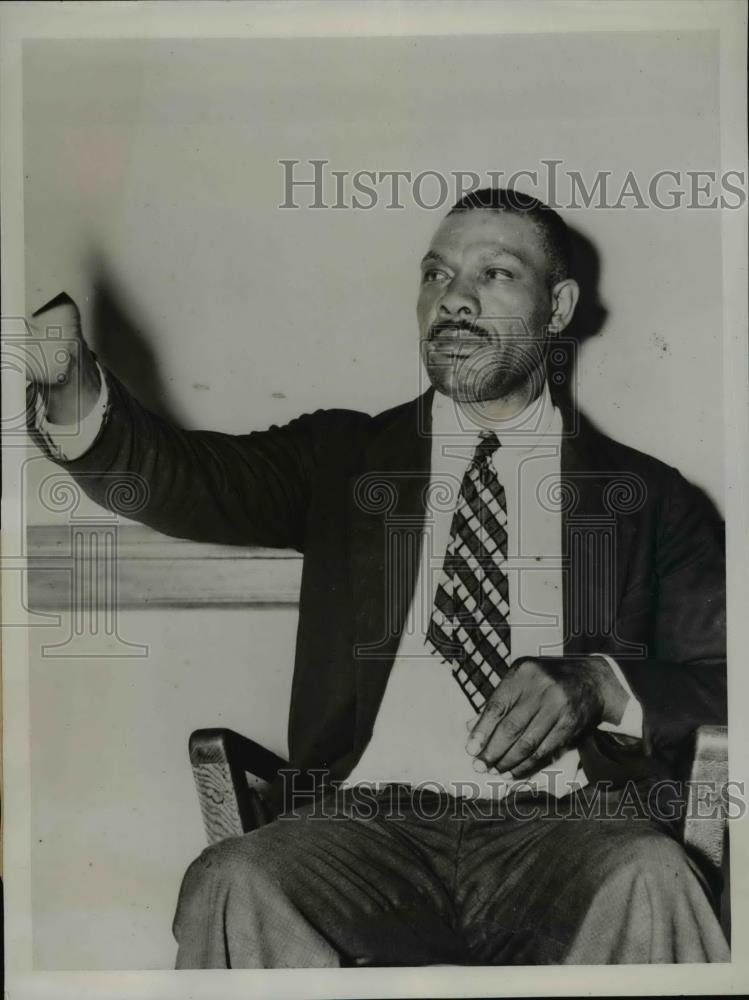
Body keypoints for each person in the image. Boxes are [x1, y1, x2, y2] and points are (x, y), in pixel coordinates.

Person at [26, 188, 728, 965]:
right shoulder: (344, 460)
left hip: (570, 830)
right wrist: (76, 398)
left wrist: (601, 686)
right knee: (233, 879)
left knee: (653, 873)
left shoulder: (652, 500)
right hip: (361, 830)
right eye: (435, 275)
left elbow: (724, 679)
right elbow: (191, 478)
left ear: (557, 307)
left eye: (493, 274)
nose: (452, 299)